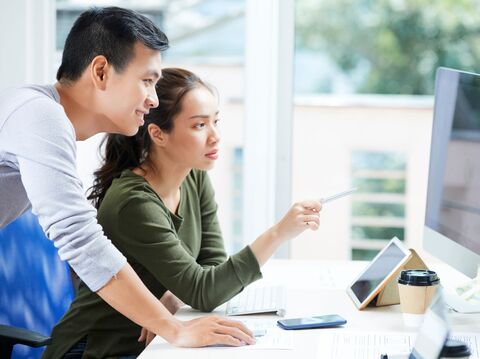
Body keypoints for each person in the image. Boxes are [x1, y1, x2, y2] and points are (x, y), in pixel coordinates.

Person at [0, 7, 255, 349]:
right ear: (101, 71)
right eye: (147, 80)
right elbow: (80, 239)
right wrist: (174, 329)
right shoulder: (39, 115)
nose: (152, 99)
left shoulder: (45, 120)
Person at [42, 68, 322, 358]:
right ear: (158, 134)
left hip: (155, 342)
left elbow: (210, 264)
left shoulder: (194, 177)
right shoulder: (134, 203)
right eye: (199, 125)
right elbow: (206, 291)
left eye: (215, 121)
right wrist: (278, 234)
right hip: (99, 348)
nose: (215, 137)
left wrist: (176, 295)